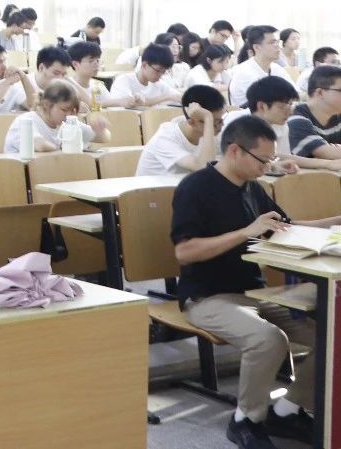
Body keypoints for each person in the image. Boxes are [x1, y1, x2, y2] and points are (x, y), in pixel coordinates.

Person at [172, 115, 341, 448]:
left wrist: (336, 221)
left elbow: (288, 228)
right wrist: (245, 232)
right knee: (267, 340)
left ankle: (287, 410)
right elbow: (184, 252)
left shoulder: (253, 187)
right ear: (235, 150)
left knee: (331, 338)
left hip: (254, 293)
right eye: (263, 160)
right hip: (207, 296)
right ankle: (245, 420)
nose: (268, 167)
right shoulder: (195, 188)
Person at [135, 85, 225, 176]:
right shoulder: (165, 138)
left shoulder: (208, 132)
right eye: (216, 122)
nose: (221, 125)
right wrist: (208, 119)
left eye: (221, 120)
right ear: (192, 122)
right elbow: (205, 168)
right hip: (154, 185)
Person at [3, 82, 110, 154]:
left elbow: (104, 138)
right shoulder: (26, 121)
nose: (69, 114)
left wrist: (100, 130)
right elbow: (39, 145)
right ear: (46, 105)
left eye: (72, 110)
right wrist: (66, 148)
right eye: (64, 110)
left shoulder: (68, 123)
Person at [286, 65, 341, 167]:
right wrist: (332, 152)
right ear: (320, 92)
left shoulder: (337, 115)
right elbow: (326, 153)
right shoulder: (296, 119)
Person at [227, 26, 289, 109]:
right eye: (272, 42)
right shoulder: (244, 73)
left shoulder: (276, 68)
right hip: (250, 115)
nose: (278, 46)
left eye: (278, 42)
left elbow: (294, 93)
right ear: (256, 47)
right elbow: (266, 105)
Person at [107, 43, 181, 107]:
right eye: (158, 70)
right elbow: (131, 103)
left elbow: (177, 97)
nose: (160, 75)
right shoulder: (123, 80)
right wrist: (166, 97)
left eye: (163, 72)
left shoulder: (159, 84)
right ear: (144, 65)